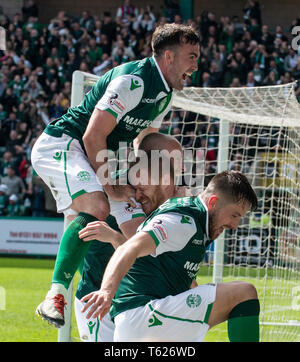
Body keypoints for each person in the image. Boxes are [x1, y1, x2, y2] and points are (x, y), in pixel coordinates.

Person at [31, 22, 200, 328]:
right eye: (192, 56)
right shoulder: (133, 80)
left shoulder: (163, 95)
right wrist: (111, 183)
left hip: (102, 160)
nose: (196, 66)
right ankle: (56, 295)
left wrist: (151, 182)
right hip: (64, 144)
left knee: (134, 230)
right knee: (98, 207)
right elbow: (92, 136)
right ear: (169, 56)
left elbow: (144, 142)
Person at [81, 170, 260, 342]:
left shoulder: (195, 222)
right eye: (234, 215)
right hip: (144, 315)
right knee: (244, 292)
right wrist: (106, 291)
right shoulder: (183, 222)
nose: (235, 225)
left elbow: (182, 280)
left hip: (143, 321)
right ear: (213, 202)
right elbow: (128, 248)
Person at [74, 132, 184, 342]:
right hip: (100, 299)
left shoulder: (162, 193)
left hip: (138, 301)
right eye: (174, 161)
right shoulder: (123, 189)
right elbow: (145, 253)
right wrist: (115, 238)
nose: (180, 168)